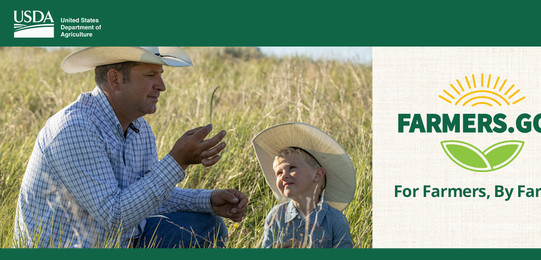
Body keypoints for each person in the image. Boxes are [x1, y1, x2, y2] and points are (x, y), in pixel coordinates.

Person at [13, 47, 248, 248]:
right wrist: (178, 161)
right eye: (150, 75)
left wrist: (207, 200)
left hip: (118, 243)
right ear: (115, 79)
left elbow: (144, 198)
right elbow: (114, 217)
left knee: (208, 226)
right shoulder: (75, 128)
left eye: (160, 75)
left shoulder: (140, 129)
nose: (162, 86)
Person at [252, 122, 356, 248]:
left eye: (292, 168)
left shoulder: (335, 220)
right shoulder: (276, 216)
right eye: (279, 172)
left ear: (317, 175)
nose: (284, 175)